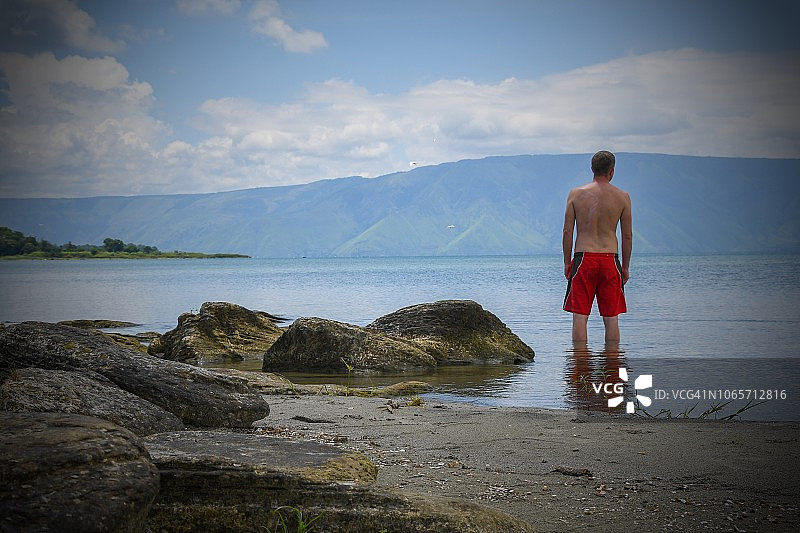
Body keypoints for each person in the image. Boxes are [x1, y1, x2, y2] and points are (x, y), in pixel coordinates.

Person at [562, 150, 632, 342]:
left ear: (592, 169)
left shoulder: (576, 195)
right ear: (612, 171)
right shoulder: (623, 197)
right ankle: (611, 366)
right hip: (610, 259)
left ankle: (580, 366)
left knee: (579, 318)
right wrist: (625, 267)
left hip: (583, 258)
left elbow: (567, 231)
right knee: (611, 319)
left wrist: (567, 262)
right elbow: (627, 236)